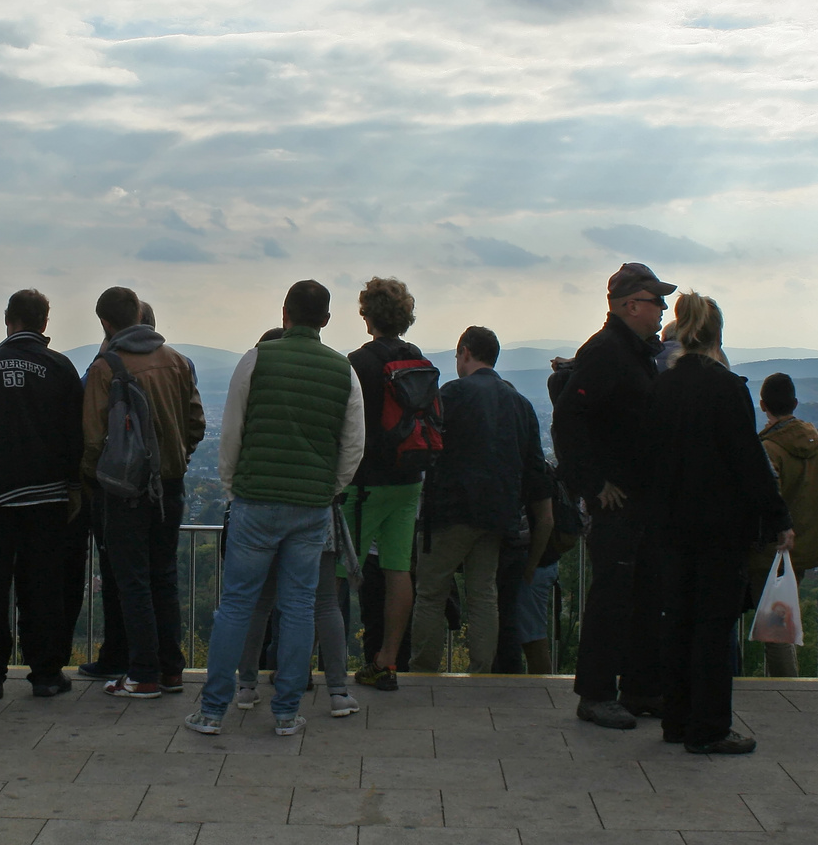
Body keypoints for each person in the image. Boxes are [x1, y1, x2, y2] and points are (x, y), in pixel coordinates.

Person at [185, 281, 365, 737]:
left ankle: (212, 710)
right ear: (326, 319)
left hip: (255, 501)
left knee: (238, 606)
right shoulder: (343, 371)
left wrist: (232, 487)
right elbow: (353, 446)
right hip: (310, 508)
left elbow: (232, 433)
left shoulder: (256, 359)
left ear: (284, 313)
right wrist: (329, 488)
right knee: (301, 607)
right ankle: (286, 713)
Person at [651, 293, 793, 755]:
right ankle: (709, 726)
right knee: (713, 626)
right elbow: (747, 462)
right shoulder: (727, 388)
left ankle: (676, 718)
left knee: (677, 620)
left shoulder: (665, 387)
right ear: (719, 335)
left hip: (670, 523)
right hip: (718, 526)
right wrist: (777, 517)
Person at [553, 262, 674, 730]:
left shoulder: (633, 351)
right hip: (617, 503)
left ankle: (641, 689)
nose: (662, 310)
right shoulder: (607, 352)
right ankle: (597, 693)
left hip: (638, 498)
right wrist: (592, 483)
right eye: (655, 301)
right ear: (630, 305)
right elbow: (569, 417)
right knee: (612, 597)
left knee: (643, 594)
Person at [0, 289, 83, 700]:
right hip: (47, 498)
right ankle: (45, 673)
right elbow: (76, 436)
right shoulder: (61, 369)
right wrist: (74, 485)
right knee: (43, 587)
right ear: (45, 323)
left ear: (8, 320)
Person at [80, 287, 206, 697]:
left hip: (124, 491)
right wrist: (176, 455)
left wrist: (93, 479)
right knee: (164, 576)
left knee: (131, 580)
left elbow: (93, 438)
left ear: (106, 323)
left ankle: (143, 672)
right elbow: (196, 423)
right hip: (170, 486)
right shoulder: (178, 362)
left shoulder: (106, 368)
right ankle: (171, 669)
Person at [411, 326, 553, 674]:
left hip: (449, 511)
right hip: (497, 515)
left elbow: (429, 448)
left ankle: (423, 670)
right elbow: (535, 468)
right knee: (483, 595)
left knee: (431, 593)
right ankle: (481, 672)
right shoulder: (518, 403)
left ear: (464, 352)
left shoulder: (453, 393)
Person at [338, 277, 429, 691]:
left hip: (365, 483)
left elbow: (347, 427)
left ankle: (330, 663)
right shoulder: (417, 359)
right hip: (409, 480)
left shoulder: (358, 363)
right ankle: (387, 661)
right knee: (397, 569)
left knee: (336, 572)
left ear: (366, 315)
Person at [748, 373, 818, 678]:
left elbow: (768, 501)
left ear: (763, 405)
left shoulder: (769, 449)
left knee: (774, 630)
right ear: (795, 403)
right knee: (780, 623)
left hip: (772, 551)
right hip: (805, 550)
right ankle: (781, 688)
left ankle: (786, 691)